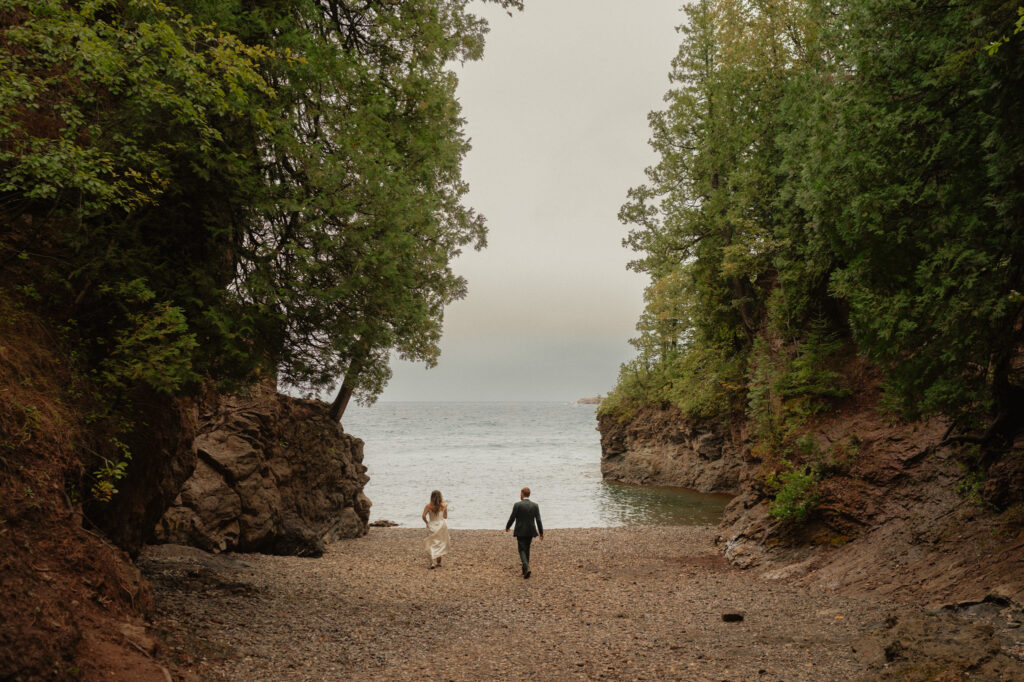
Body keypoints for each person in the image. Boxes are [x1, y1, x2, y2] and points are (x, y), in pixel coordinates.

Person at [505, 486, 543, 578]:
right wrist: (541, 532)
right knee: (527, 549)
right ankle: (525, 571)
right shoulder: (535, 505)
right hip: (530, 530)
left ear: (522, 494)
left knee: (521, 549)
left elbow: (512, 517)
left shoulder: (517, 505)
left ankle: (526, 566)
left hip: (520, 530)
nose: (520, 495)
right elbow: (538, 520)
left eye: (520, 493)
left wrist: (508, 526)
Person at [422, 490, 449, 569]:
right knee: (440, 543)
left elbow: (423, 516)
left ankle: (432, 563)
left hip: (432, 525)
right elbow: (445, 517)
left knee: (431, 543)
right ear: (440, 496)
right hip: (441, 525)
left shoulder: (428, 506)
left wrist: (427, 522)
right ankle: (439, 562)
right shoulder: (444, 505)